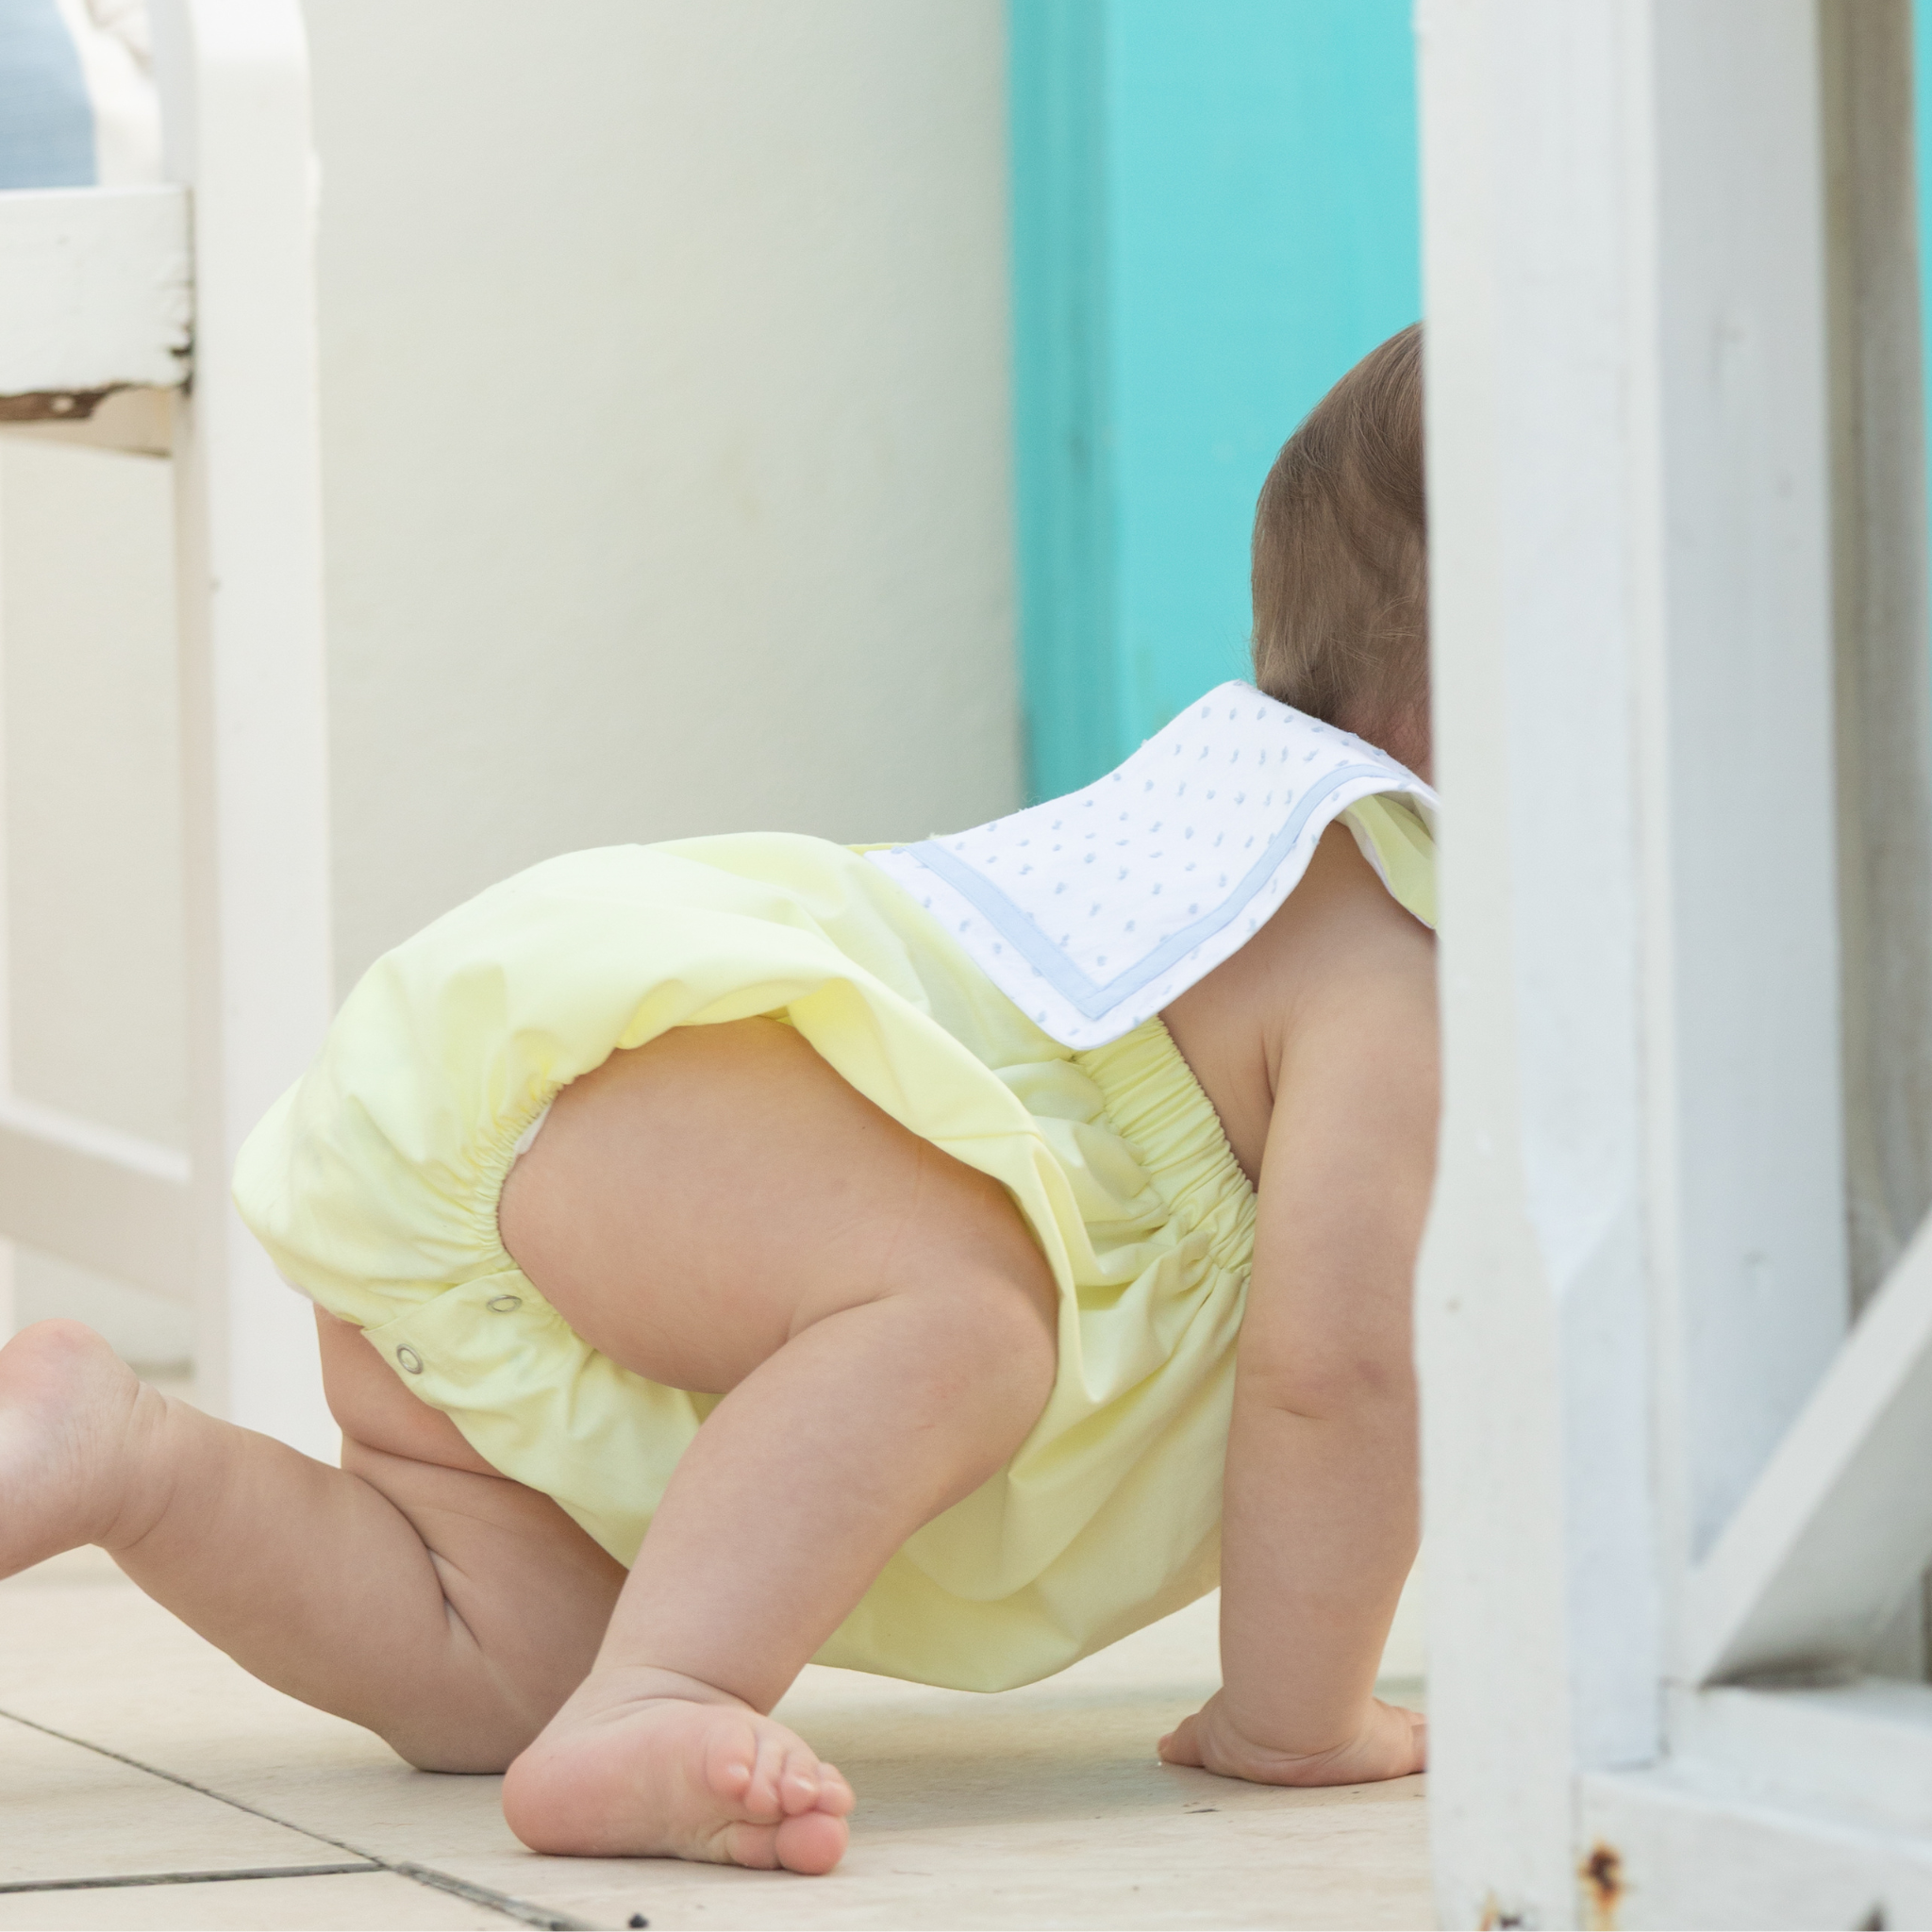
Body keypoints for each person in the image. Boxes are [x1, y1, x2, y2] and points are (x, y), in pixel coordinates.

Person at [0, 324, 1435, 1877]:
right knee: (963, 1315)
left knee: (507, 1669)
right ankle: (662, 1696)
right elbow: (1334, 1374)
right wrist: (1299, 1720)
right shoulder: (1397, 947)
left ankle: (120, 1455)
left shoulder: (1256, 826)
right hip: (624, 1085)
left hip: (577, 1208)